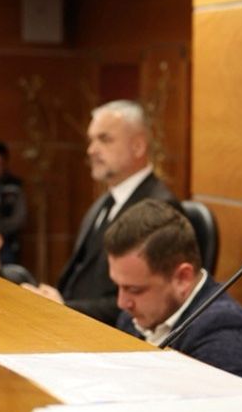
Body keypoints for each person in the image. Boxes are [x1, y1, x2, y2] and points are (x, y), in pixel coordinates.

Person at [24, 100, 178, 325]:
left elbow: (144, 301)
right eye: (91, 140)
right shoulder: (103, 203)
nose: (91, 150)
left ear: (138, 146)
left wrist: (66, 309)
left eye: (104, 139)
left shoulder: (160, 208)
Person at [106, 199, 242, 385]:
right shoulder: (132, 318)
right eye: (118, 286)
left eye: (134, 290)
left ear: (182, 278)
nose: (122, 303)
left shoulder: (226, 332)